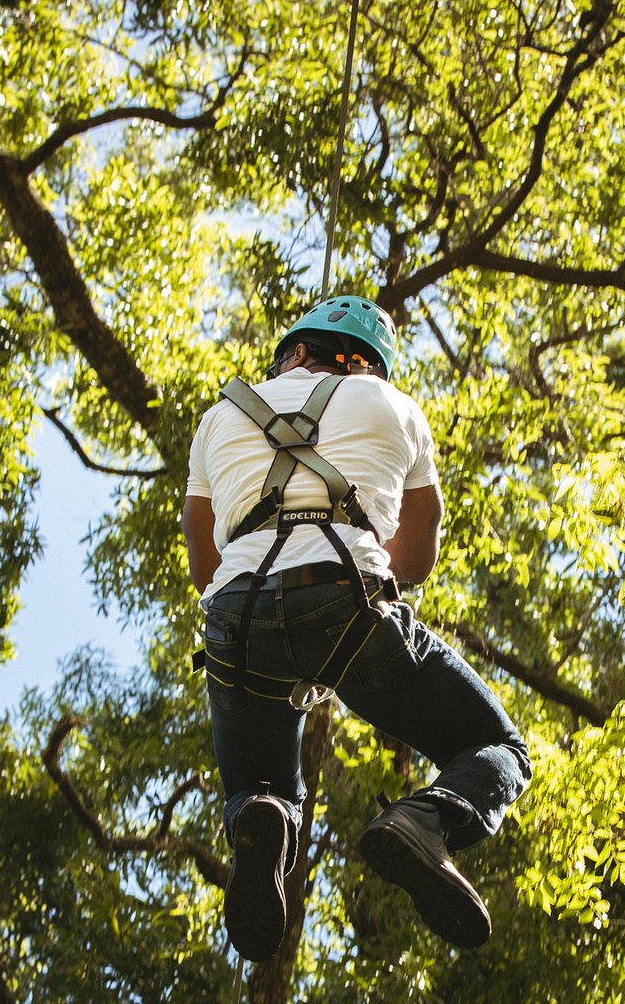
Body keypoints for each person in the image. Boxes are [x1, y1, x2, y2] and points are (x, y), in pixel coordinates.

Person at [184, 296, 530, 962]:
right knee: (497, 746)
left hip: (235, 621)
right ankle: (425, 821)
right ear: (372, 362)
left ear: (293, 351)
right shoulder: (395, 407)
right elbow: (417, 555)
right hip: (347, 603)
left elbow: (206, 562)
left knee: (257, 785)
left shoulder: (219, 416)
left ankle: (268, 820)